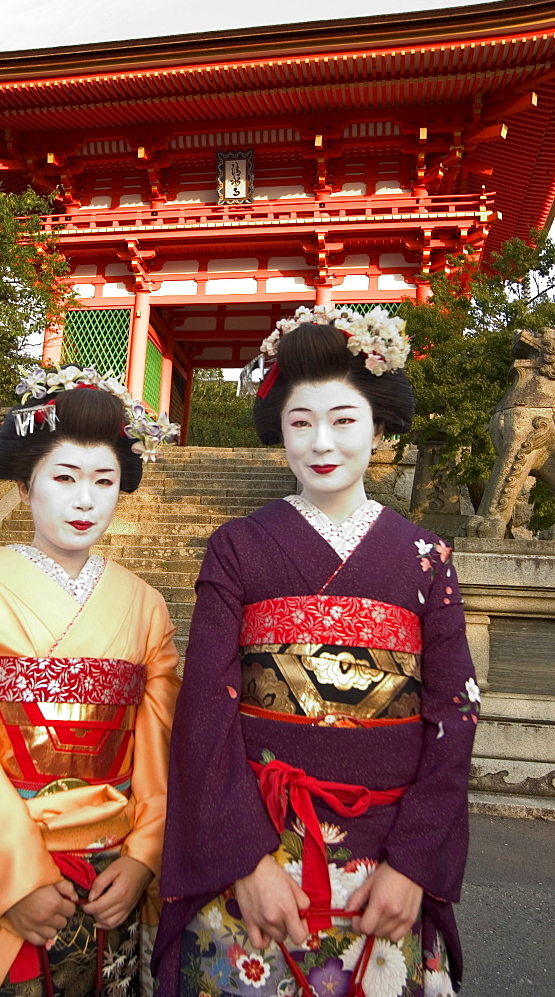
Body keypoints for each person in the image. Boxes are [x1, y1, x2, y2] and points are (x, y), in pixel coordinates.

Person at [153, 307, 479, 997]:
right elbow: (207, 711)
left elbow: (454, 715)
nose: (322, 442)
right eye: (301, 422)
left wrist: (414, 864)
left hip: (386, 869)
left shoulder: (426, 558)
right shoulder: (237, 547)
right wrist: (245, 860)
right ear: (280, 430)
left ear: (379, 426)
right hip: (259, 856)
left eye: (344, 419)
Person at [0, 366, 181, 997]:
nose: (85, 500)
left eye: (104, 481)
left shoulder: (145, 606)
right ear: (25, 487)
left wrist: (142, 859)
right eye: (64, 478)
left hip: (109, 877)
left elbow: (158, 753)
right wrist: (13, 877)